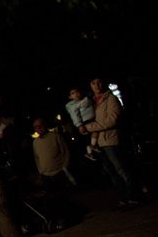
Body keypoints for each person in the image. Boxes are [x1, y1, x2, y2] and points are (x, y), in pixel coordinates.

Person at [79, 78, 139, 206]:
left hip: (110, 139)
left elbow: (112, 120)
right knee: (112, 172)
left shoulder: (111, 98)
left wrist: (89, 127)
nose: (97, 85)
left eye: (99, 82)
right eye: (93, 83)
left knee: (121, 169)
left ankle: (134, 196)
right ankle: (123, 198)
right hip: (98, 142)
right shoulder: (90, 102)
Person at [32, 118, 75, 188]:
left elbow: (65, 152)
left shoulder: (56, 136)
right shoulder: (35, 142)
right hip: (46, 176)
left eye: (40, 125)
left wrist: (64, 166)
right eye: (36, 127)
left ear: (45, 125)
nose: (38, 128)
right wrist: (40, 171)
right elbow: (36, 158)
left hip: (59, 172)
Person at [65, 87, 99, 160]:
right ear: (70, 97)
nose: (76, 94)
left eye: (77, 91)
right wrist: (80, 125)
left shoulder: (85, 100)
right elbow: (75, 116)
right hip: (85, 122)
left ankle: (89, 153)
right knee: (94, 132)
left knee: (88, 138)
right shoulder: (72, 106)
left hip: (90, 120)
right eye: (73, 93)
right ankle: (92, 146)